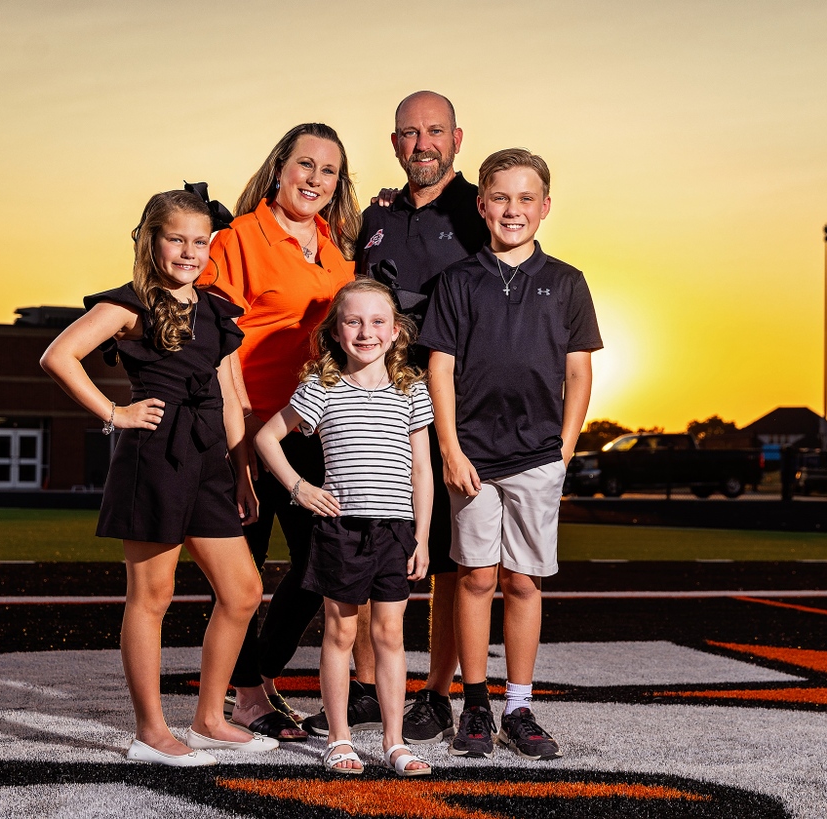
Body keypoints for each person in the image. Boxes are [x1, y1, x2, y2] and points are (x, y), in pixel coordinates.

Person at [40, 189, 278, 766]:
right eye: (177, 239)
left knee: (243, 590)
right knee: (153, 595)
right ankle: (150, 732)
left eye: (200, 241)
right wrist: (116, 415)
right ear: (151, 240)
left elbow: (227, 397)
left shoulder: (218, 311)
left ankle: (208, 718)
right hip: (155, 457)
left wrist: (242, 471)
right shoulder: (129, 306)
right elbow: (58, 356)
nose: (189, 251)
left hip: (210, 463)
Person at [303, 90, 487, 743]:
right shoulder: (377, 216)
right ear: (394, 143)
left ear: (457, 138)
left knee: (441, 559)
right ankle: (360, 690)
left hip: (454, 404)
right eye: (409, 134)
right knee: (364, 542)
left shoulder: (479, 211)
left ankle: (435, 694)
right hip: (374, 402)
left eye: (434, 131)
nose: (422, 145)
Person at [419, 149, 602, 760]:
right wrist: (447, 445)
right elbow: (439, 368)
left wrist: (565, 450)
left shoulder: (568, 282)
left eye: (527, 198)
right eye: (501, 198)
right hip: (471, 456)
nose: (513, 210)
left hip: (537, 456)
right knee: (474, 578)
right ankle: (474, 704)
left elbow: (579, 375)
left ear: (546, 206)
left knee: (523, 582)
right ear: (482, 204)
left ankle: (518, 705)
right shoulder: (458, 281)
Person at [196, 123, 361, 742]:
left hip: (310, 426)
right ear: (279, 169)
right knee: (244, 571)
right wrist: (238, 437)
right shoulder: (240, 237)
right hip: (244, 421)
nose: (316, 179)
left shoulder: (335, 249)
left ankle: (254, 678)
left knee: (325, 558)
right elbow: (216, 343)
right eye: (305, 164)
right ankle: (245, 698)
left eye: (329, 170)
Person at [254, 279, 433, 776]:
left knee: (391, 635)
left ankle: (395, 743)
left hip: (396, 531)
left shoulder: (410, 389)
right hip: (341, 530)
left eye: (378, 322)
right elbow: (267, 437)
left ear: (396, 332)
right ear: (335, 331)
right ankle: (339, 740)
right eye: (352, 321)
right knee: (339, 632)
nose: (365, 331)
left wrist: (420, 535)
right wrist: (298, 487)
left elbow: (422, 470)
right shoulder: (321, 388)